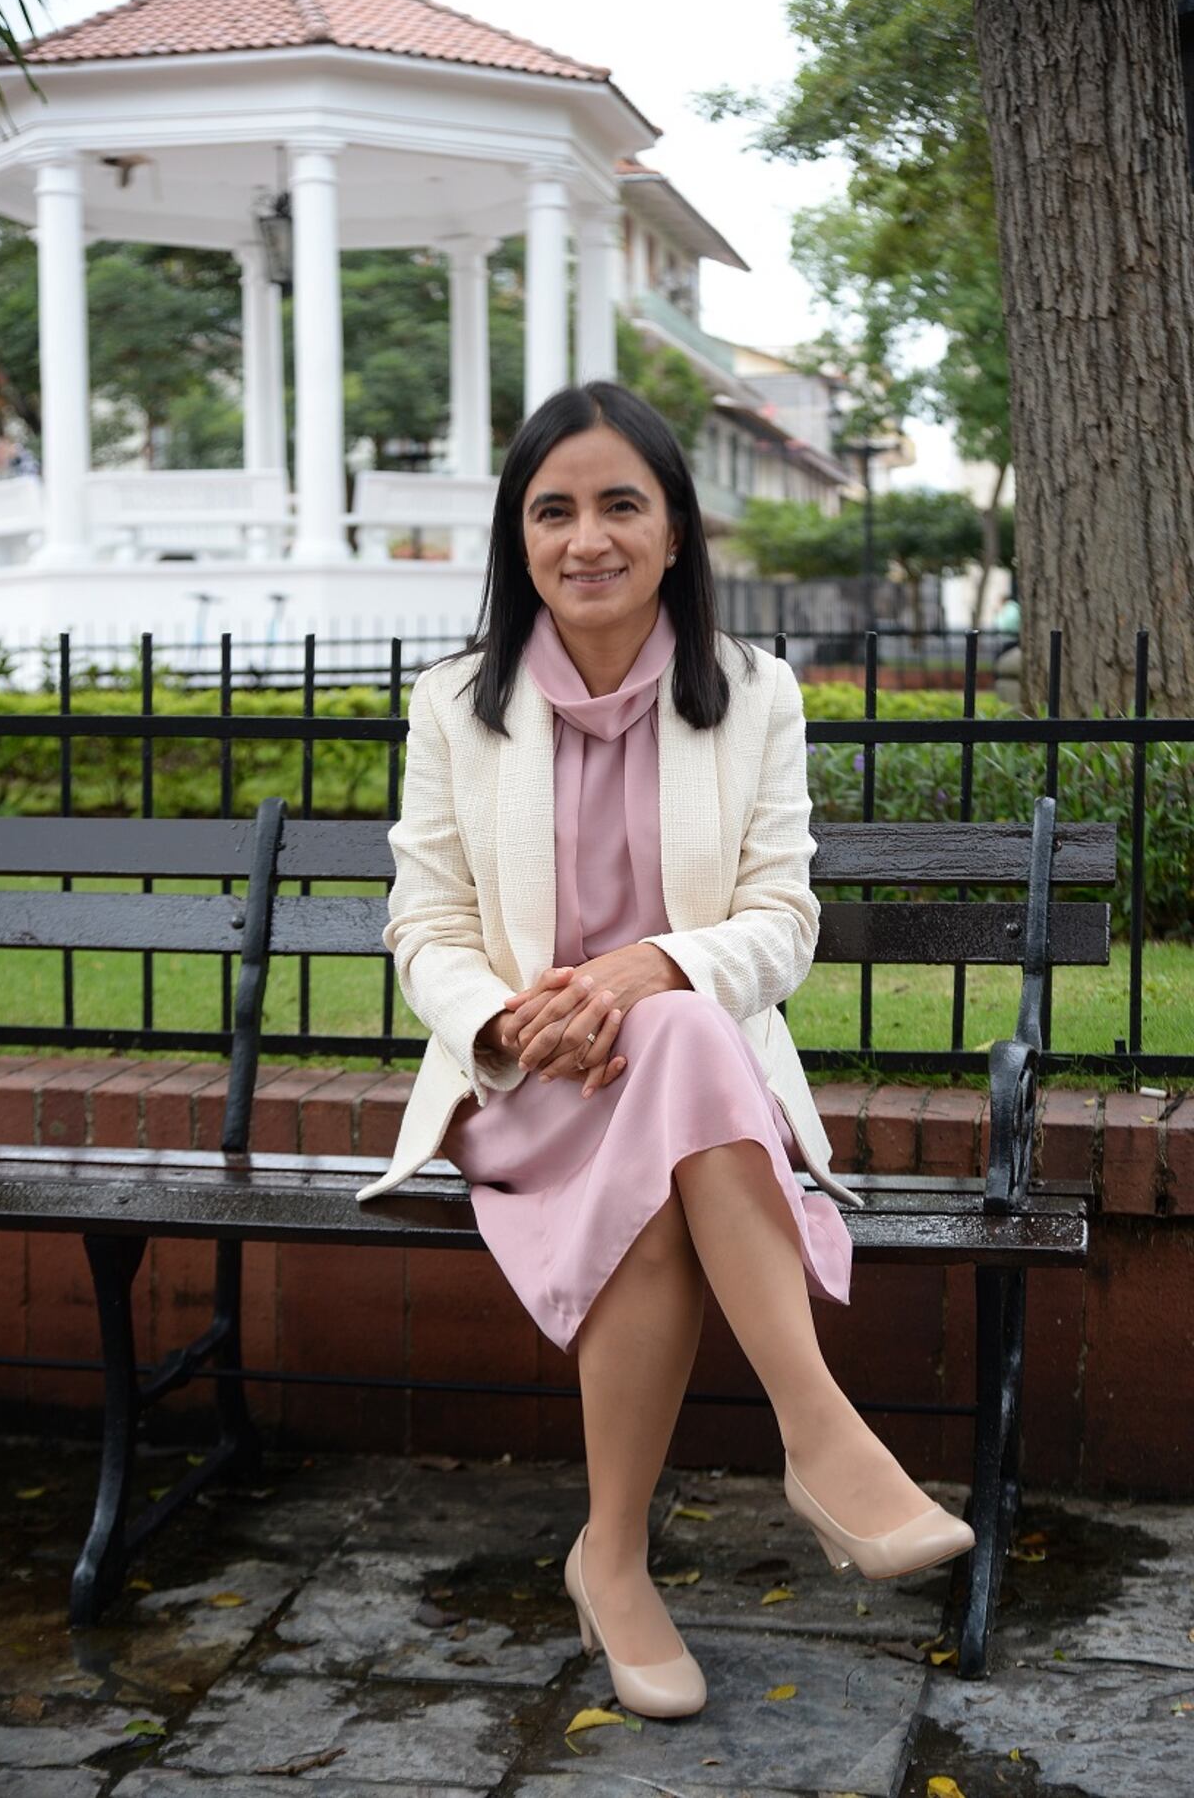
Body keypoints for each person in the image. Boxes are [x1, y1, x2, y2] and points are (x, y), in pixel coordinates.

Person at [355, 383, 973, 1718]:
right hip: (529, 1088)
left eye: (620, 504)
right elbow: (425, 923)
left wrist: (656, 968)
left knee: (683, 1038)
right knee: (680, 1080)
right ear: (519, 540)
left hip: (688, 1094)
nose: (589, 537)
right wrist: (508, 1018)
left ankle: (617, 1557)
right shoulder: (456, 705)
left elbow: (781, 920)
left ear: (678, 531)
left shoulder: (750, 697)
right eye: (554, 509)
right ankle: (819, 1439)